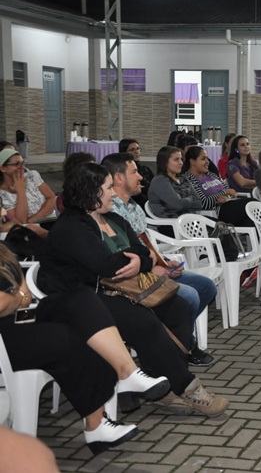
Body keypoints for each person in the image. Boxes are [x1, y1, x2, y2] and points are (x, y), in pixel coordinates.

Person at [38, 163, 229, 417]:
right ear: (90, 191)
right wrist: (137, 259)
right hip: (84, 300)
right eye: (108, 188)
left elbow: (141, 249)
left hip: (121, 290)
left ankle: (162, 384)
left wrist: (140, 260)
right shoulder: (71, 227)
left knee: (179, 309)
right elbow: (106, 266)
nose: (113, 194)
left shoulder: (113, 219)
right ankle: (189, 388)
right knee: (145, 322)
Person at [0, 243, 166, 454]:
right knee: (66, 338)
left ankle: (128, 373)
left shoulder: (3, 251)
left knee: (81, 299)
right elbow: (13, 299)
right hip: (3, 340)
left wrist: (15, 298)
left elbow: (24, 297)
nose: (4, 214)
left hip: (17, 319)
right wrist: (16, 298)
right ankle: (96, 425)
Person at [101, 152, 217, 366]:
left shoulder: (133, 207)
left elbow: (146, 245)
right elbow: (122, 255)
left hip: (150, 268)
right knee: (189, 296)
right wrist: (153, 270)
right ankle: (183, 347)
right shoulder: (109, 211)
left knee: (206, 287)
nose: (141, 177)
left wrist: (163, 263)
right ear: (118, 178)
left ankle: (173, 342)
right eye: (134, 172)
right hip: (132, 279)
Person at [182, 146, 254, 227]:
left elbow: (231, 193)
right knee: (251, 203)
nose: (207, 162)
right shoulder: (189, 179)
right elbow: (203, 203)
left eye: (207, 159)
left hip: (230, 204)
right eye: (203, 159)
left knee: (251, 221)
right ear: (192, 161)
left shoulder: (211, 175)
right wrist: (223, 193)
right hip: (218, 212)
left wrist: (226, 197)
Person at [0, 148, 57, 225]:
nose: (22, 167)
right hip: (30, 231)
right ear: (3, 168)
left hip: (52, 220)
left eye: (23, 163)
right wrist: (21, 190)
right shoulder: (2, 194)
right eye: (17, 164)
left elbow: (51, 198)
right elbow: (21, 221)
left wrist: (35, 218)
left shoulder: (32, 176)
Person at [119, 138, 154, 208]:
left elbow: (154, 187)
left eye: (138, 149)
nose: (136, 152)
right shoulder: (122, 171)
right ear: (124, 152)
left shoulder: (146, 169)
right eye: (132, 150)